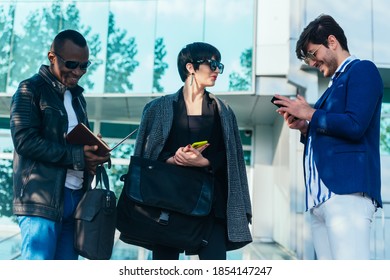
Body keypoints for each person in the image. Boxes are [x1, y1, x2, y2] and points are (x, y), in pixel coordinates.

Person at [118, 42, 252, 260]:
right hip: (168, 205)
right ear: (190, 67)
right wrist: (171, 159)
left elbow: (232, 159)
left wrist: (205, 163)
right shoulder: (157, 109)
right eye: (213, 64)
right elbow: (145, 159)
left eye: (220, 65)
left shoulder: (224, 111)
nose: (217, 70)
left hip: (211, 206)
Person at [273, 14, 383, 259]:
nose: (312, 62)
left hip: (347, 196)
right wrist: (305, 126)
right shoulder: (332, 88)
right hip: (320, 200)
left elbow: (355, 125)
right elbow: (332, 128)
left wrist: (311, 113)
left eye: (313, 54)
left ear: (332, 41)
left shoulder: (362, 70)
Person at [10, 29, 110, 260]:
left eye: (84, 66)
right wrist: (78, 155)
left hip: (76, 198)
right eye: (72, 64)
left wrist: (93, 155)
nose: (78, 72)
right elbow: (25, 141)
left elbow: (74, 142)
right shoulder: (30, 89)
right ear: (52, 57)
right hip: (41, 201)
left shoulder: (78, 99)